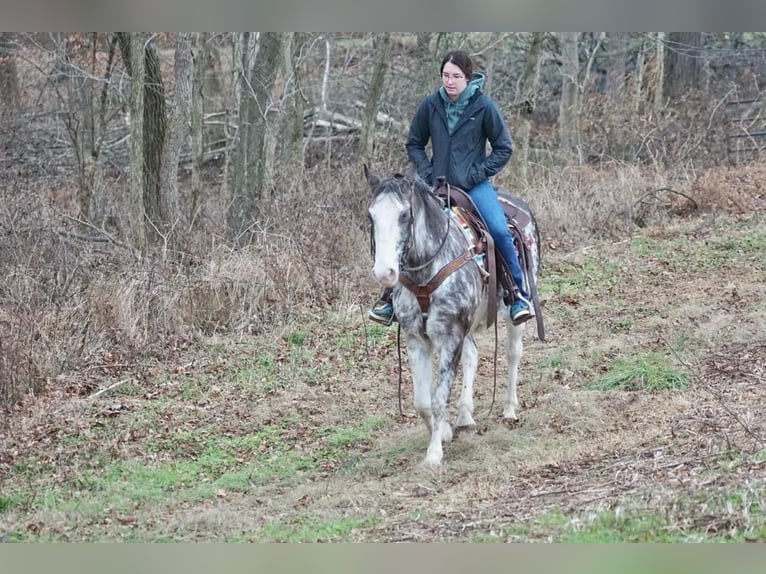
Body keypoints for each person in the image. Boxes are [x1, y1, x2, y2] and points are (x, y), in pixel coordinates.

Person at [369, 49, 534, 327]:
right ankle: (390, 298)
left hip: (474, 187)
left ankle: (516, 294)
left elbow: (504, 147)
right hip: (434, 185)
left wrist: (477, 173)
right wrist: (428, 171)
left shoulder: (484, 106)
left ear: (468, 78)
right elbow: (414, 143)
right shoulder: (431, 104)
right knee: (411, 232)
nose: (450, 81)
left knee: (497, 231)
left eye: (456, 76)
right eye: (446, 75)